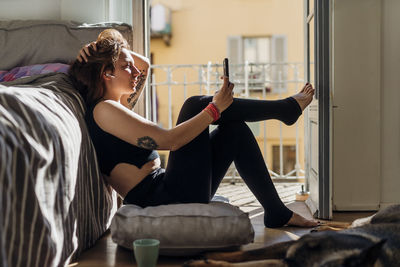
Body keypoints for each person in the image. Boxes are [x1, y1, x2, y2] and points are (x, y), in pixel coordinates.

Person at [69, 29, 317, 228]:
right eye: (126, 67)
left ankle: (276, 212)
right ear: (106, 74)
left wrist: (101, 49)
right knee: (194, 105)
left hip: (172, 189)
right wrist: (214, 109)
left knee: (235, 132)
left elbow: (143, 64)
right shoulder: (104, 110)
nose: (135, 71)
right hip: (163, 199)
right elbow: (168, 141)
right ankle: (283, 109)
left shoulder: (116, 104)